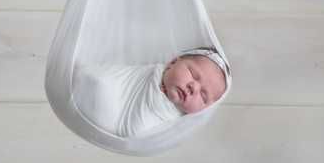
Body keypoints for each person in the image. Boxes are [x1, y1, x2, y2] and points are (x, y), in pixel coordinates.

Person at [71, 48, 230, 138]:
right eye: (193, 74)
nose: (193, 87)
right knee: (98, 82)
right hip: (84, 88)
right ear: (172, 62)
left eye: (203, 95)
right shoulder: (154, 73)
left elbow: (135, 131)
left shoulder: (177, 128)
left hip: (110, 127)